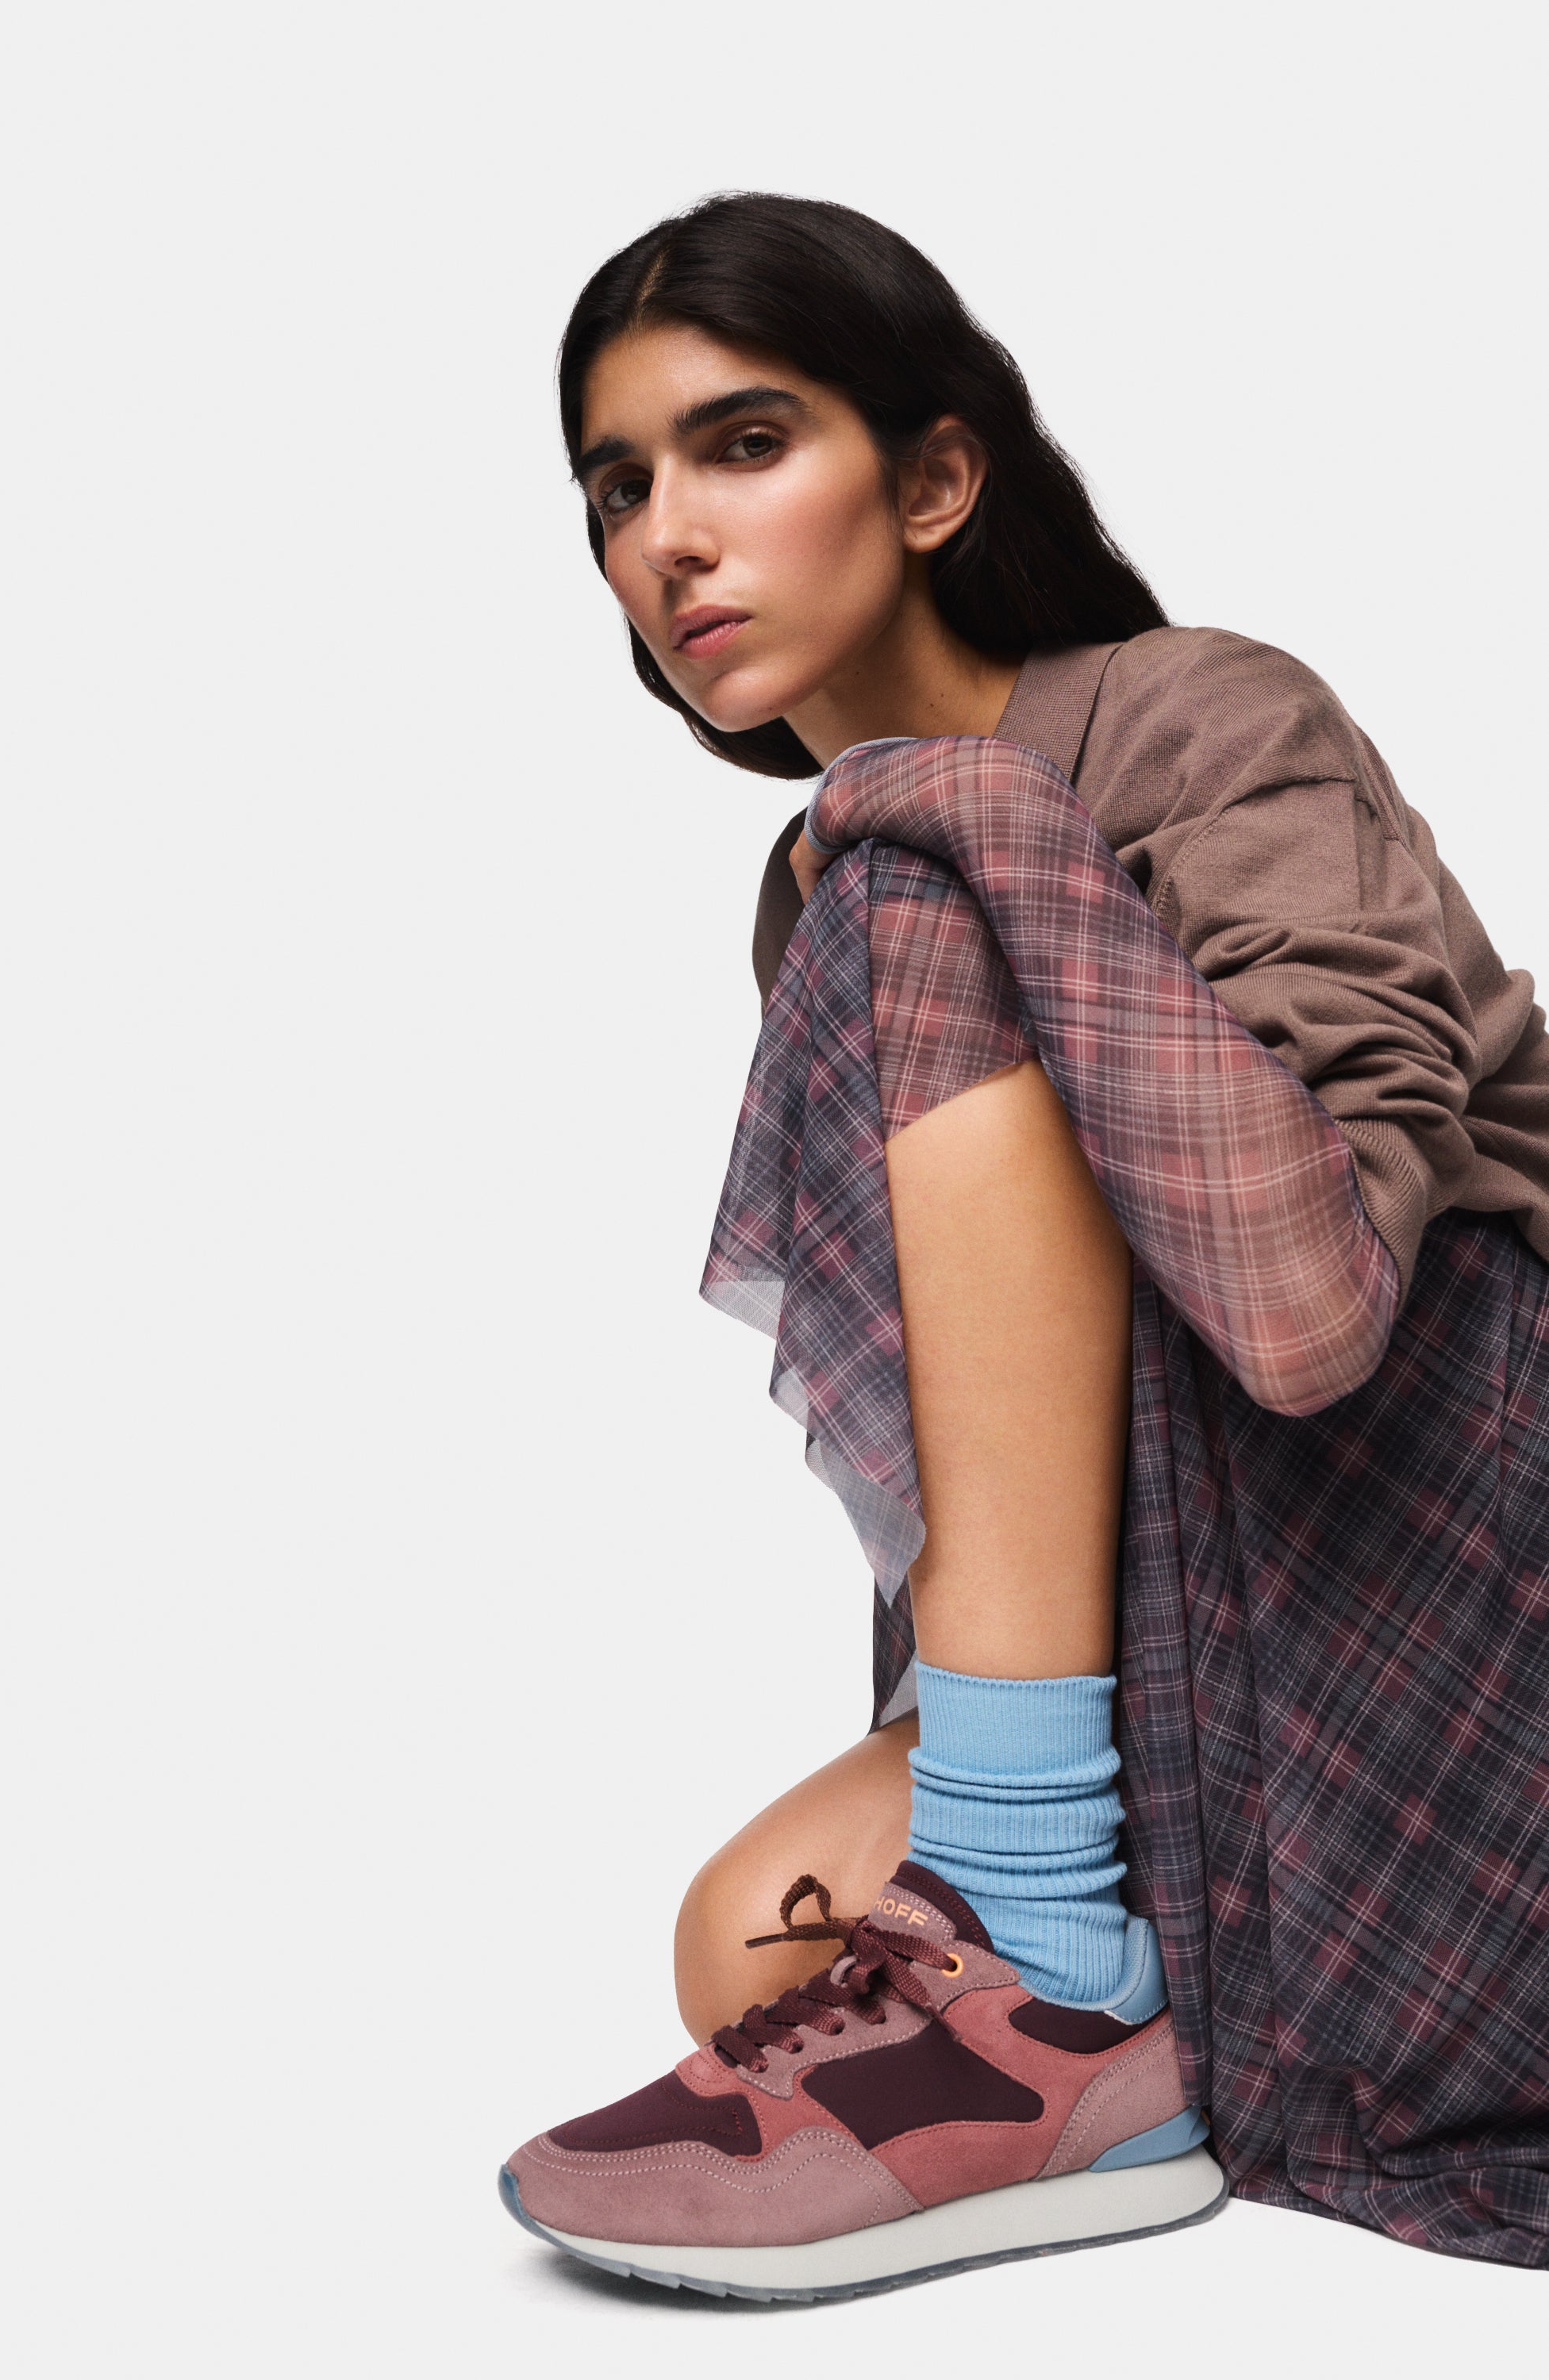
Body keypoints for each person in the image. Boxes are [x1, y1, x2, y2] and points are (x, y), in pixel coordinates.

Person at [498, 194, 1549, 2299]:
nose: (667, 540)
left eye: (741, 445)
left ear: (935, 482)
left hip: (1456, 1550)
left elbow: (1308, 1315)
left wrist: (970, 817)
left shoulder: (1193, 720)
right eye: (617, 488)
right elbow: (1000, 1415)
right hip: (1191, 1583)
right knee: (745, 1947)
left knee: (918, 903)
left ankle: (1044, 1963)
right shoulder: (836, 890)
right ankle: (1049, 1956)